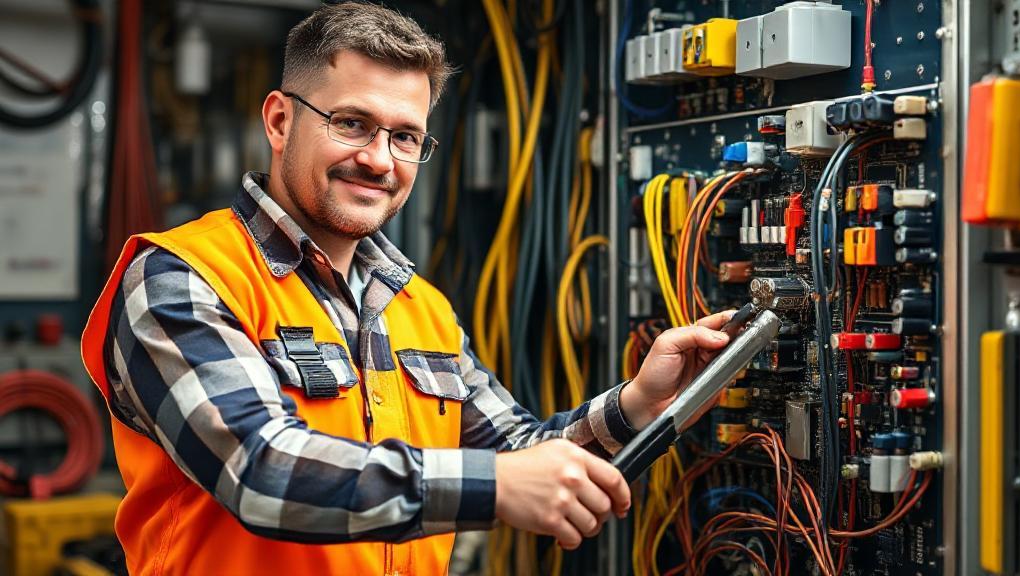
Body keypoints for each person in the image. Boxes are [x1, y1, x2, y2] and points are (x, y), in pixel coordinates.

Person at [81, 3, 734, 574]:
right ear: (279, 122)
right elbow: (260, 470)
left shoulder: (420, 308)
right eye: (351, 123)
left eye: (405, 137)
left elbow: (518, 455)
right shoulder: (180, 278)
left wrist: (638, 404)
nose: (378, 159)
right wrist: (498, 485)